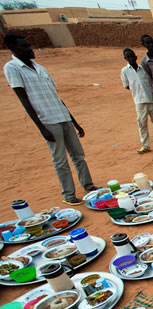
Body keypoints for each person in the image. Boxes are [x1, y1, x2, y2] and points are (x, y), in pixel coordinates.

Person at [3, 34, 98, 205]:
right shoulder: (13, 68)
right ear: (13, 48)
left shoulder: (40, 68)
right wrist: (42, 128)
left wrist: (74, 122)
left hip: (62, 117)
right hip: (47, 121)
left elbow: (56, 97)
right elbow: (24, 101)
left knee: (78, 155)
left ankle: (88, 185)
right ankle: (69, 194)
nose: (30, 48)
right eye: (25, 46)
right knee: (60, 160)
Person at [121, 48, 153, 154]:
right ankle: (145, 145)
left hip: (150, 98)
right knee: (142, 123)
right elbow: (126, 85)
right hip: (139, 100)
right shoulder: (125, 71)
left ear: (136, 57)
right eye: (128, 57)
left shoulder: (143, 68)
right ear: (125, 58)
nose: (131, 59)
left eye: (132, 56)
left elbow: (150, 81)